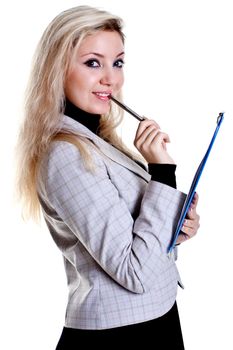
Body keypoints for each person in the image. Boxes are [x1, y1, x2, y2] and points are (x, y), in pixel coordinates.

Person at [16, 5, 200, 349]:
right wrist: (161, 172)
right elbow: (136, 272)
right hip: (120, 337)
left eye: (117, 62)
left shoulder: (97, 140)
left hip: (151, 320)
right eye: (92, 63)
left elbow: (136, 239)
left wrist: (176, 227)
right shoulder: (66, 155)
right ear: (56, 71)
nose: (110, 78)